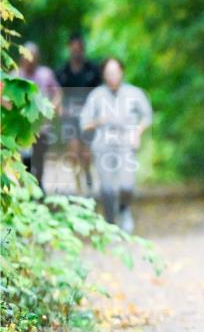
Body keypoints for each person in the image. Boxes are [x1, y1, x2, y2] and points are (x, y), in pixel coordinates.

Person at [79, 57, 153, 233]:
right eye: (108, 73)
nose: (112, 76)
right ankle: (110, 222)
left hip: (126, 143)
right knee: (107, 189)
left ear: (122, 72)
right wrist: (98, 121)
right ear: (103, 75)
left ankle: (124, 209)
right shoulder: (96, 95)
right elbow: (84, 123)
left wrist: (137, 132)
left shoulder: (135, 93)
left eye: (115, 72)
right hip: (103, 144)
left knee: (127, 185)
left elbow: (147, 116)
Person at [55, 31, 102, 195]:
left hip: (89, 116)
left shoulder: (93, 70)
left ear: (83, 49)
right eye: (74, 49)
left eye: (79, 49)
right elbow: (58, 93)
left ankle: (88, 177)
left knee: (86, 153)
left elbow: (99, 93)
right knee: (73, 152)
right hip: (70, 117)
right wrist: (59, 110)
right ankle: (78, 188)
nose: (77, 52)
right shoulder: (62, 71)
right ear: (69, 48)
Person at [17, 42, 63, 189]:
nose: (29, 60)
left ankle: (39, 184)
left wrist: (52, 109)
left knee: (39, 156)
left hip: (42, 126)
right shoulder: (15, 75)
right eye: (27, 57)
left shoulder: (45, 74)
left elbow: (58, 92)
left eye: (33, 57)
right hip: (23, 127)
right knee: (25, 158)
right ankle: (28, 187)